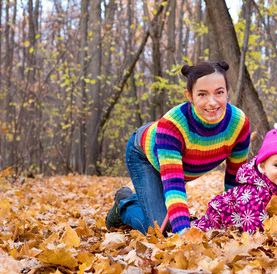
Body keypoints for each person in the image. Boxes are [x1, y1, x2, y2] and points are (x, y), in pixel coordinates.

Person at [105, 61, 251, 235]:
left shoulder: (239, 123)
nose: (212, 102)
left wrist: (235, 219)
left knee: (172, 222)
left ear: (227, 92)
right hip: (144, 154)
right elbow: (174, 183)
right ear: (189, 96)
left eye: (219, 92)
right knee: (163, 230)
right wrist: (183, 233)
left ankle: (147, 203)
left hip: (175, 161)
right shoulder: (172, 126)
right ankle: (125, 204)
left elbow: (235, 179)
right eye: (202, 94)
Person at [192, 122, 277, 234]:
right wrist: (262, 239)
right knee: (203, 233)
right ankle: (188, 226)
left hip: (245, 224)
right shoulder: (253, 191)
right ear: (263, 167)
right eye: (276, 165)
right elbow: (253, 224)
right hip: (220, 217)